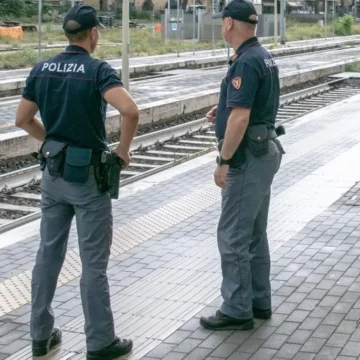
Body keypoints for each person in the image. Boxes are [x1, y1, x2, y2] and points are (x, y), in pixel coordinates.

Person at [15, 4, 139, 359]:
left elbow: (22, 119)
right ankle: (100, 342)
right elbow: (129, 110)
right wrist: (124, 150)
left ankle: (40, 335)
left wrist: (52, 140)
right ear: (94, 33)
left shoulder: (43, 68)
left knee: (47, 255)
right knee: (93, 264)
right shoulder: (98, 70)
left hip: (53, 175)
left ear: (67, 34)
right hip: (88, 180)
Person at [199, 0, 285, 331]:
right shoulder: (263, 56)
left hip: (247, 157)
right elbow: (246, 106)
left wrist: (224, 160)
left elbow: (242, 116)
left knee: (233, 234)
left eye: (223, 21)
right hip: (265, 149)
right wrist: (220, 110)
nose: (222, 26)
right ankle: (259, 301)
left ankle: (237, 308)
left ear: (231, 24)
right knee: (254, 233)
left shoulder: (246, 62)